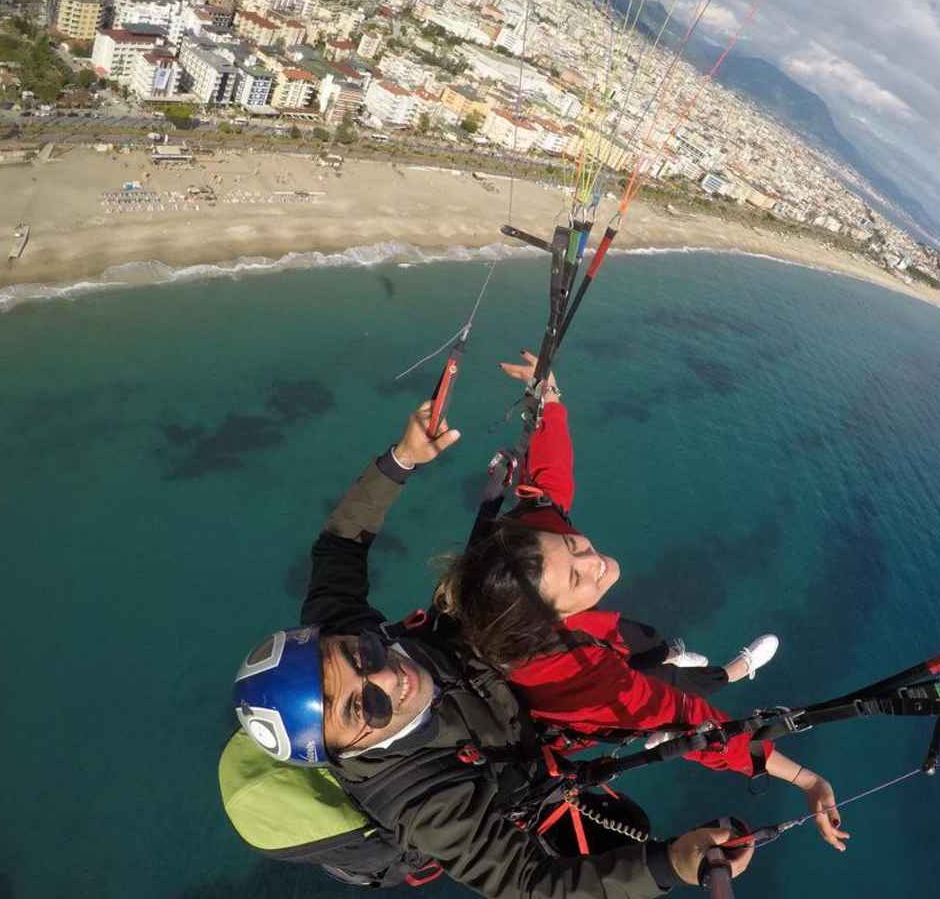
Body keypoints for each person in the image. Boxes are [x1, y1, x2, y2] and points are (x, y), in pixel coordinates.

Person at [231, 398, 755, 896]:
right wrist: (670, 865)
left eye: (363, 653)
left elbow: (340, 544)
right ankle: (723, 675)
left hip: (503, 685)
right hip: (519, 753)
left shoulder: (334, 630)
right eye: (366, 706)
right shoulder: (423, 802)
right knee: (630, 817)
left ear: (340, 637)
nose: (388, 676)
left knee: (646, 669)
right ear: (345, 750)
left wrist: (401, 460)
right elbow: (529, 885)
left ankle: (701, 673)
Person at [435, 352, 851, 853]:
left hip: (594, 636)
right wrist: (804, 778)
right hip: (585, 696)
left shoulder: (523, 561)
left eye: (575, 546)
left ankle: (680, 658)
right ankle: (736, 670)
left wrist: (550, 401)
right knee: (680, 680)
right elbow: (689, 722)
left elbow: (547, 492)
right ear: (554, 617)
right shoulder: (581, 680)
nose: (595, 559)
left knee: (652, 643)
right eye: (576, 574)